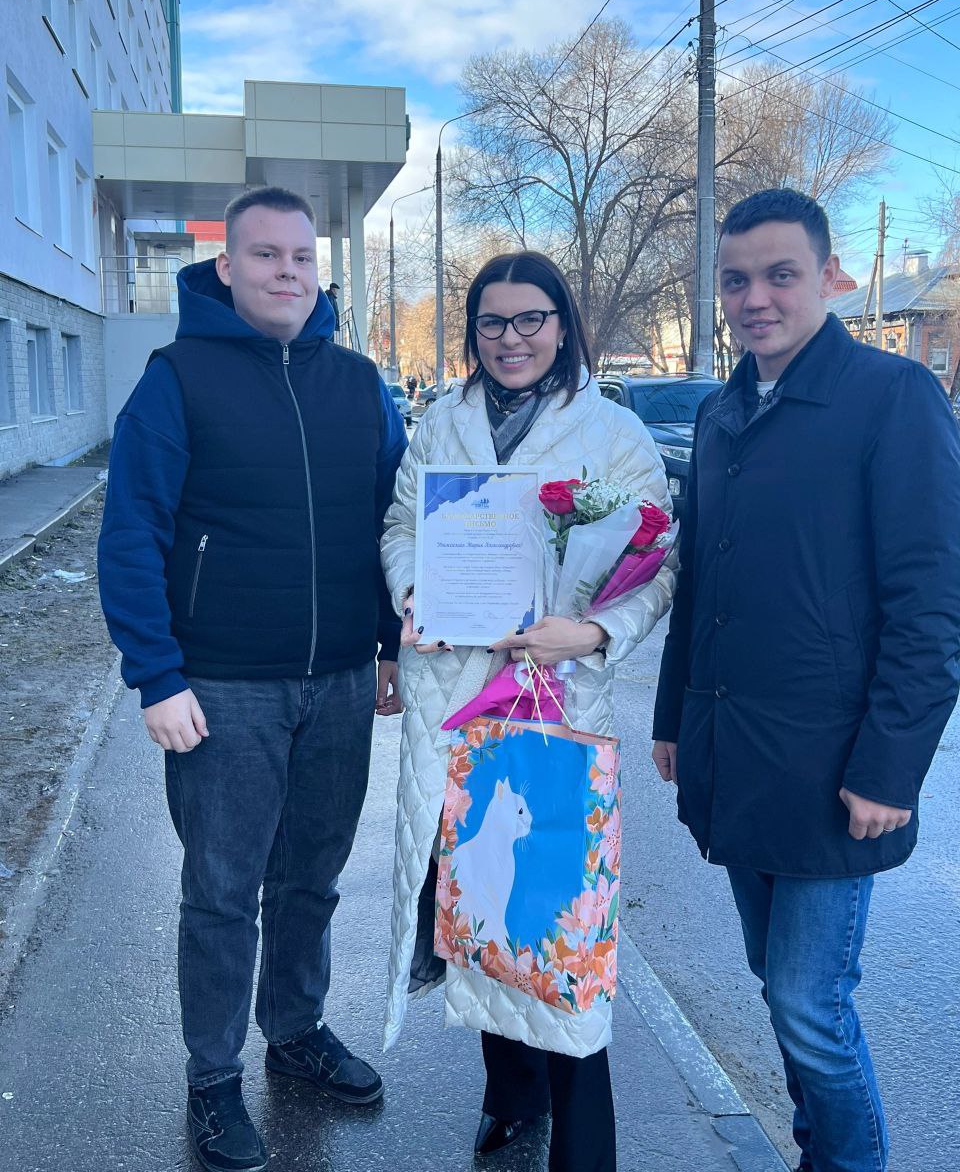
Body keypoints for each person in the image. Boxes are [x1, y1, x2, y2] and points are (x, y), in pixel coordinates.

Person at [98, 186, 407, 1172]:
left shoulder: (359, 383)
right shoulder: (176, 379)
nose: (287, 271)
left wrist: (392, 642)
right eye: (266, 255)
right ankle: (213, 1075)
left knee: (311, 878)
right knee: (223, 893)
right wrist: (156, 675)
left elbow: (395, 523)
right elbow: (132, 534)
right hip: (222, 686)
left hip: (340, 682)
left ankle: (296, 1028)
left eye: (302, 257)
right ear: (226, 267)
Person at [651, 188, 960, 1172]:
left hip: (837, 769)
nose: (755, 298)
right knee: (776, 983)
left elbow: (931, 607)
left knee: (809, 1003)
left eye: (781, 274)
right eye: (736, 280)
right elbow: (700, 583)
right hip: (738, 756)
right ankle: (816, 1151)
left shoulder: (892, 398)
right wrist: (672, 717)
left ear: (831, 276)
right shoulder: (720, 411)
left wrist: (890, 769)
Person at [380, 250, 676, 1172]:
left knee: (558, 917)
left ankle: (584, 1144)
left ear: (562, 324)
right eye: (491, 323)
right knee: (479, 904)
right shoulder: (441, 421)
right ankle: (510, 1100)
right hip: (452, 702)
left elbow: (660, 562)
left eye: (530, 319)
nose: (510, 339)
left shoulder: (613, 432)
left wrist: (591, 632)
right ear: (472, 332)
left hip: (554, 702)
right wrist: (413, 590)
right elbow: (401, 526)